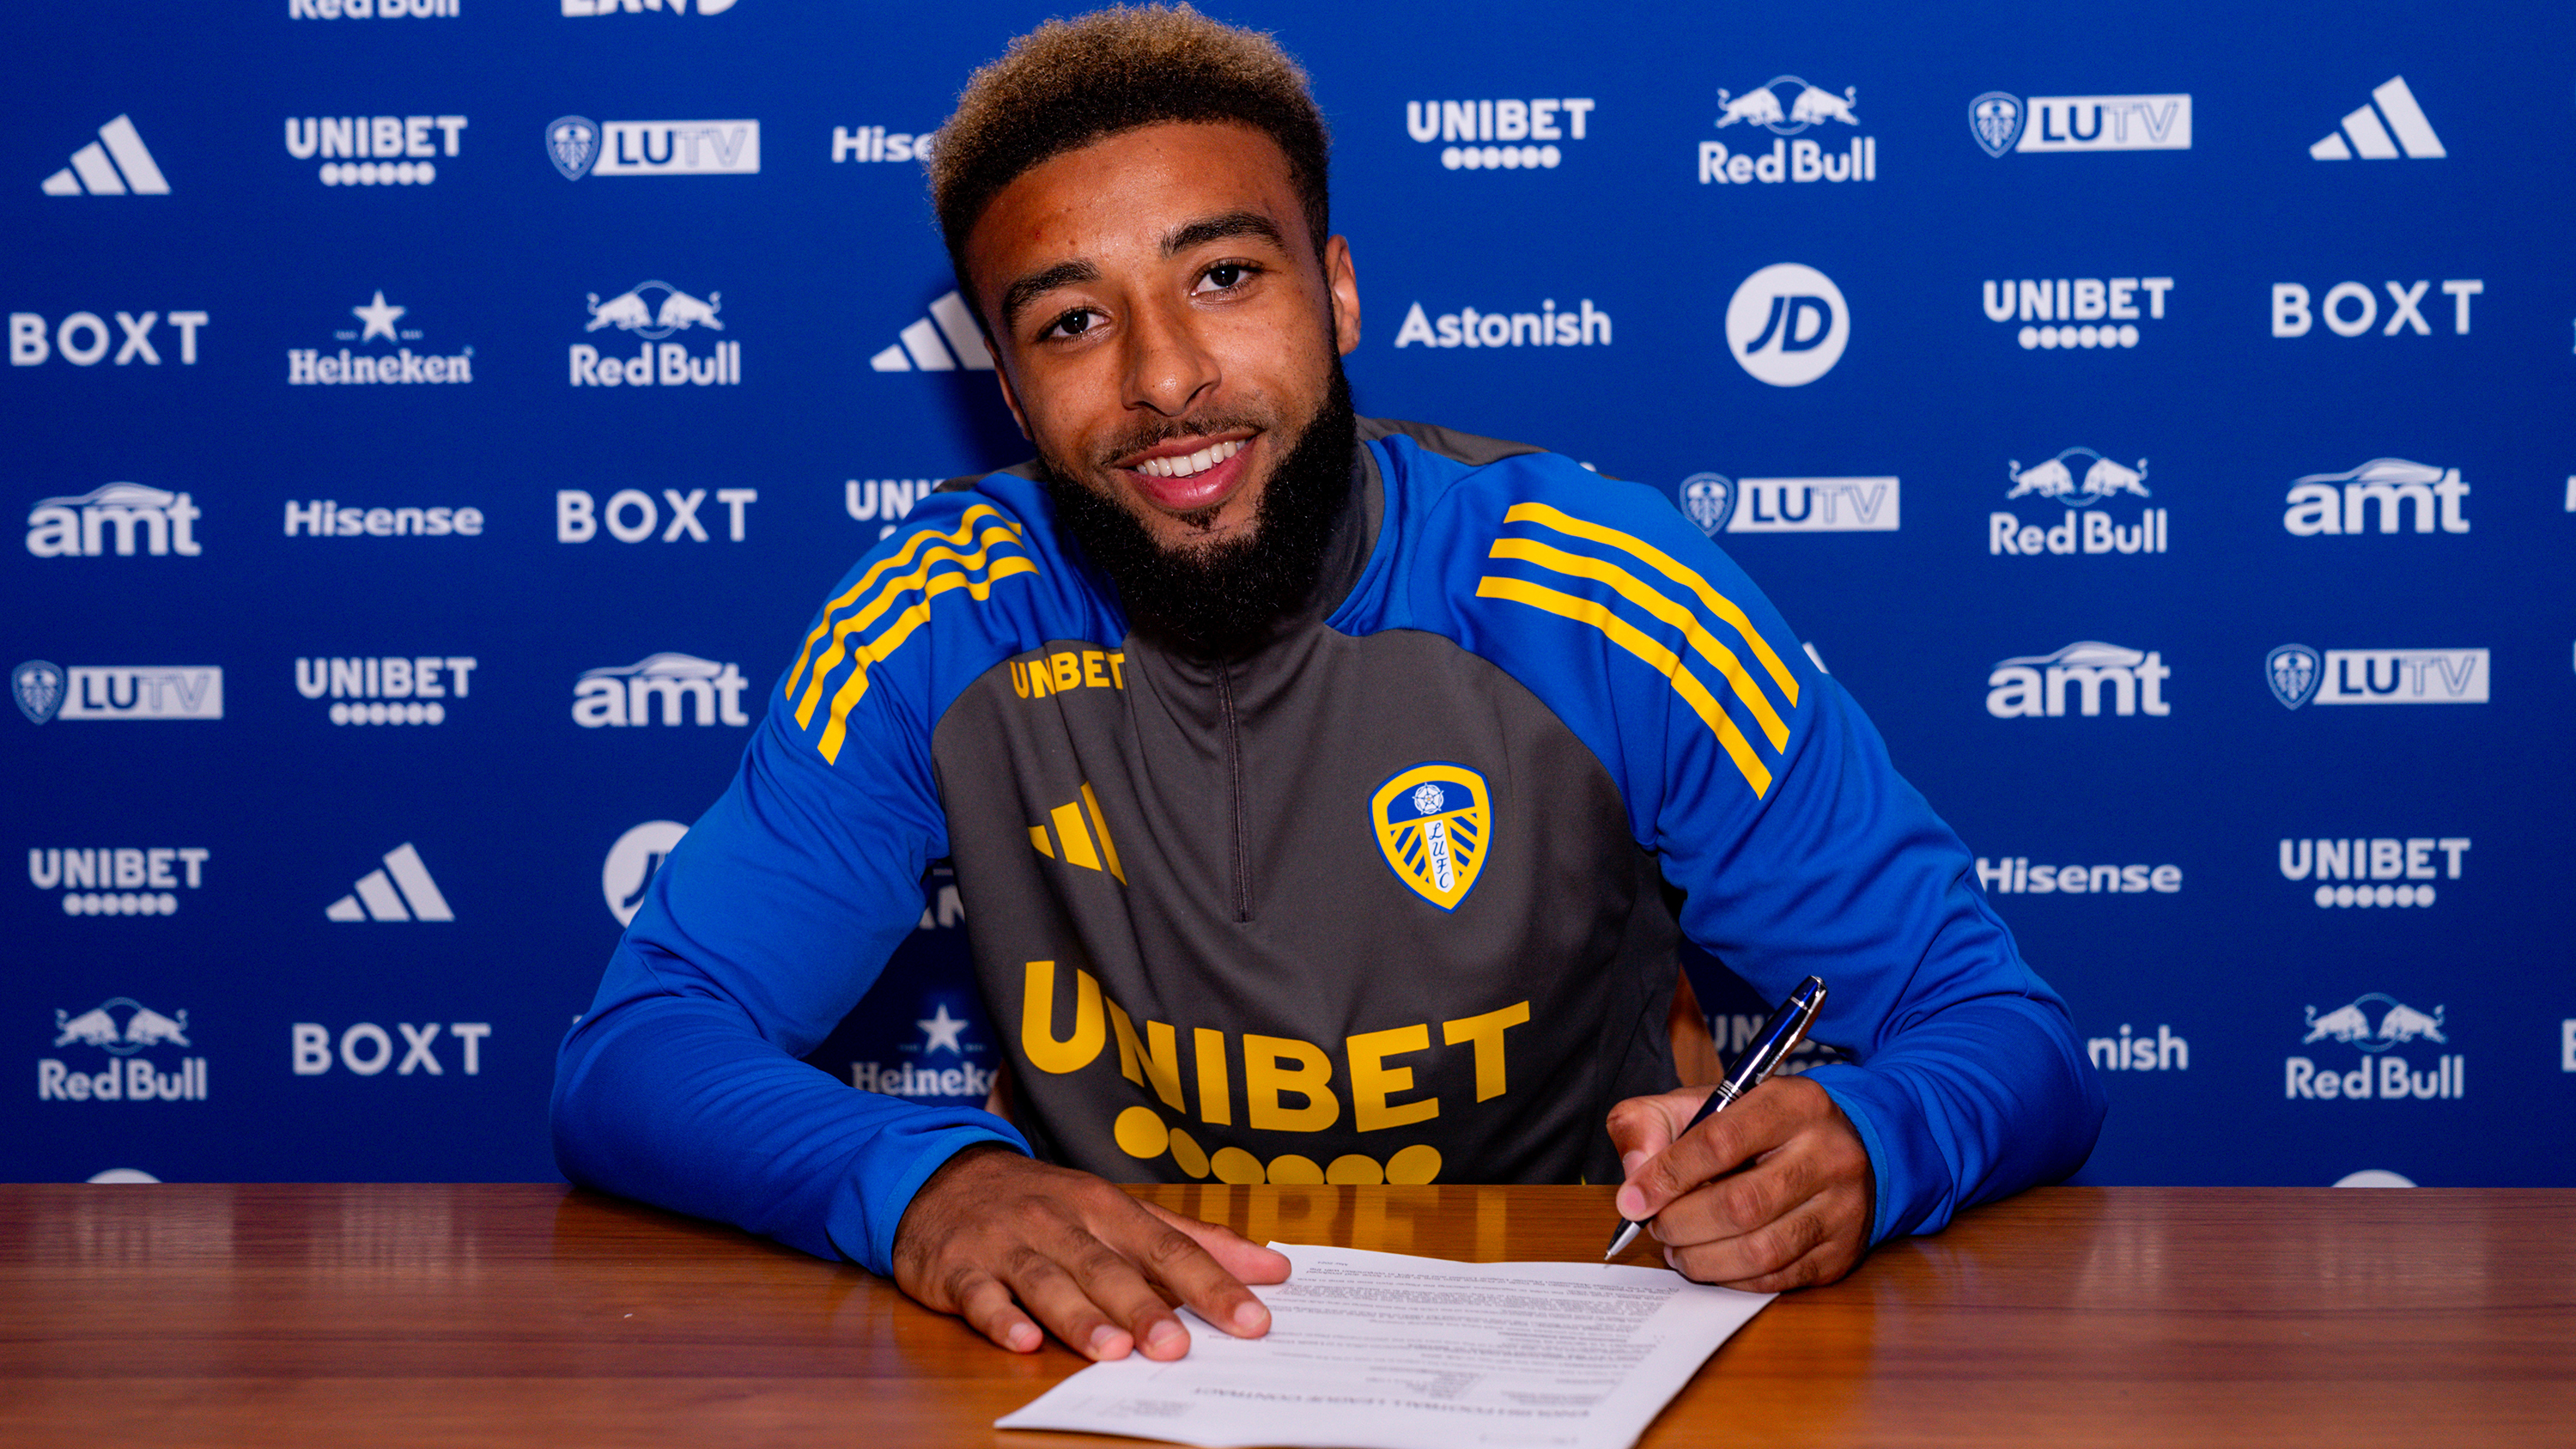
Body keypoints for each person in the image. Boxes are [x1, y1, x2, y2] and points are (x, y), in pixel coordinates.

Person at [552, 4, 2105, 1367]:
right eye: (1075, 321)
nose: (1164, 378)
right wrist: (929, 1188)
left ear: (1338, 293)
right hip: (1148, 1361)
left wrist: (1872, 1143)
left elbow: (2000, 1029)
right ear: (1012, 392)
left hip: (1574, 1352)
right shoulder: (938, 624)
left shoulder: (1603, 593)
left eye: (1222, 275)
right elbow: (637, 1051)